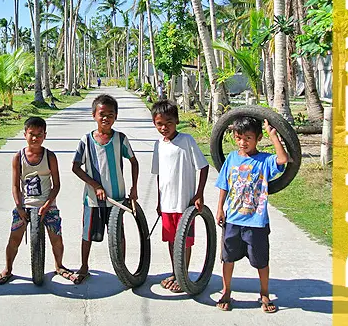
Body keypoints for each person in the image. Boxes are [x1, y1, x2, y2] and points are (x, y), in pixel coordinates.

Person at [215, 116, 288, 313]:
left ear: (258, 138)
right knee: (227, 258)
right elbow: (224, 184)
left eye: (248, 138)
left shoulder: (265, 160)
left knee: (261, 261)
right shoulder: (231, 158)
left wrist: (273, 135)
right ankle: (226, 291)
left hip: (257, 221)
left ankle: (264, 293)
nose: (242, 142)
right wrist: (220, 208)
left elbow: (283, 159)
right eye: (239, 137)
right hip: (233, 219)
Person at [0, 117, 74, 284]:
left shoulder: (50, 156)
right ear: (25, 134)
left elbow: (56, 185)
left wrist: (47, 204)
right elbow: (15, 186)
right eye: (32, 134)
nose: (35, 138)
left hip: (47, 204)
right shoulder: (18, 157)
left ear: (45, 135)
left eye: (39, 134)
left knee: (56, 237)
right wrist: (19, 206)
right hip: (25, 205)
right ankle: (8, 269)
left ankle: (59, 266)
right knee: (14, 238)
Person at [71, 94, 139, 284]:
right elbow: (75, 167)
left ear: (116, 116)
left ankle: (122, 268)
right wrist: (95, 186)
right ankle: (84, 267)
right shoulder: (86, 140)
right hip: (93, 200)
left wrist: (134, 189)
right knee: (87, 234)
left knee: (118, 235)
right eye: (102, 114)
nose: (106, 118)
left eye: (110, 114)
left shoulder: (121, 139)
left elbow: (134, 162)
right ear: (94, 115)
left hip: (117, 199)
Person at [150, 100, 209, 293]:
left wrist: (199, 194)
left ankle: (183, 276)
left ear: (176, 121)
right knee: (171, 241)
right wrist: (159, 201)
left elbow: (204, 166)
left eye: (168, 122)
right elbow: (159, 175)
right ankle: (175, 272)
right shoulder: (158, 145)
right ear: (154, 123)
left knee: (184, 241)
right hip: (167, 204)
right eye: (159, 124)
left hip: (185, 204)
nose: (164, 127)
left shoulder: (187, 141)